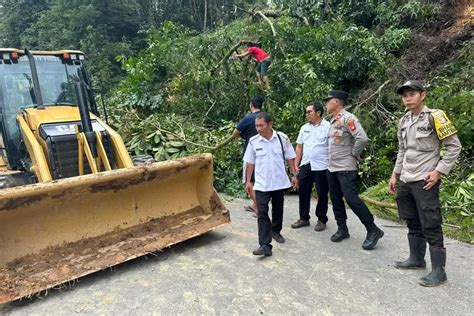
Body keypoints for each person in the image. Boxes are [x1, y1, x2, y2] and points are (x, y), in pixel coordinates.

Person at [388, 80, 462, 287]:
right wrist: (395, 174)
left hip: (425, 180)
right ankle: (416, 259)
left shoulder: (435, 117)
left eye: (412, 94)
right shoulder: (403, 120)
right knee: (411, 220)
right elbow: (402, 150)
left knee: (430, 223)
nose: (407, 98)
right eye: (404, 95)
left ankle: (439, 271)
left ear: (423, 95)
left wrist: (438, 171)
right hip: (405, 178)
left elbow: (454, 147)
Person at [325, 90, 384, 250]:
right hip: (332, 168)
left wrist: (354, 153)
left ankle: (373, 229)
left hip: (345, 167)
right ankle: (342, 229)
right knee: (336, 199)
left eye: (328, 100)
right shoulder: (333, 121)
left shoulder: (348, 118)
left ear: (336, 102)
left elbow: (362, 138)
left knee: (352, 199)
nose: (326, 103)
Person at [243, 112, 298, 256]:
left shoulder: (282, 138)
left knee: (278, 209)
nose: (258, 128)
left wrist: (294, 175)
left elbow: (290, 157)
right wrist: (248, 181)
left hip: (279, 182)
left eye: (261, 125)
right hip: (261, 184)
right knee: (262, 212)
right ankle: (265, 244)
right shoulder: (253, 141)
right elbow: (250, 162)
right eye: (257, 126)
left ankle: (276, 231)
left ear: (270, 124)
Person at [291, 102, 330, 231]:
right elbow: (299, 147)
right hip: (306, 165)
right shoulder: (304, 128)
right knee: (303, 192)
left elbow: (332, 147)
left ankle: (321, 219)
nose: (307, 114)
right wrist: (296, 165)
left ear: (318, 113)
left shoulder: (328, 127)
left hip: (322, 165)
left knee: (322, 193)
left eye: (309, 112)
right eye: (307, 112)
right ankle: (304, 218)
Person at [232, 95, 263, 214]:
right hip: (263, 153)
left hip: (250, 153)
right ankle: (255, 205)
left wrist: (242, 135)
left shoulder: (248, 118)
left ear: (251, 105)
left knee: (249, 181)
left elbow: (235, 133)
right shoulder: (264, 118)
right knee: (258, 181)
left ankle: (260, 209)